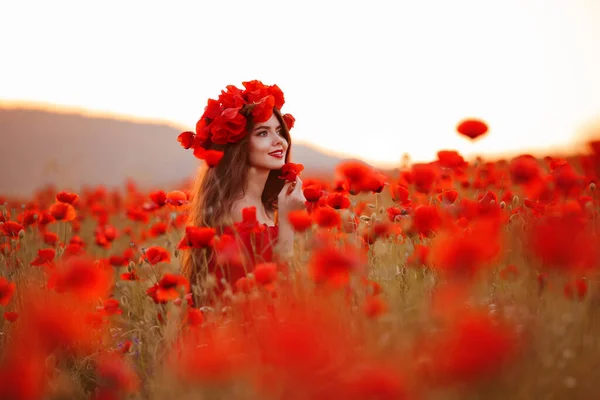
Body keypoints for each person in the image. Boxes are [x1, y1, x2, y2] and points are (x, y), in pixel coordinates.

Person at [180, 80, 306, 299]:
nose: (279, 141)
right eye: (263, 133)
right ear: (238, 145)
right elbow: (272, 294)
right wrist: (287, 220)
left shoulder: (265, 206)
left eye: (279, 131)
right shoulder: (235, 212)